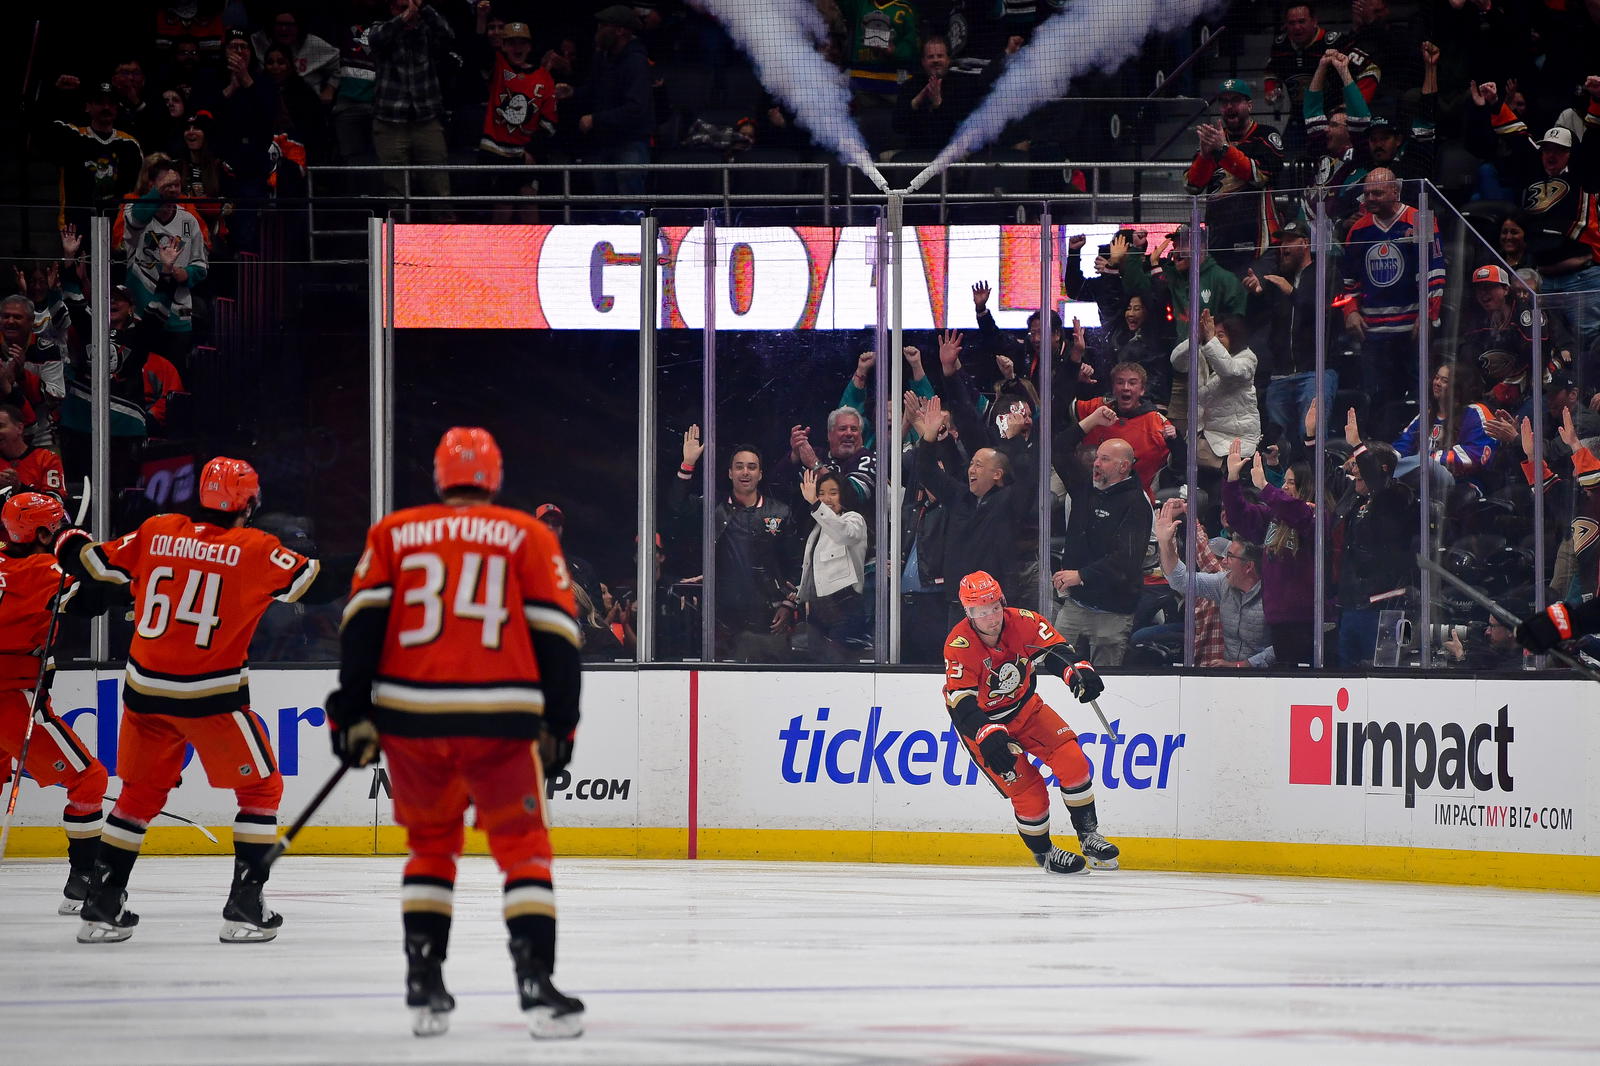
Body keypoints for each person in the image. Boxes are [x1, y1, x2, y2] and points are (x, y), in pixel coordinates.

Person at [328, 427, 585, 1040]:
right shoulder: (527, 535)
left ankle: (424, 983)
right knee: (522, 847)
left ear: (440, 476)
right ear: (495, 477)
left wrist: (351, 710)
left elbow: (360, 628)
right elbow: (557, 637)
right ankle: (536, 990)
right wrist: (561, 723)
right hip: (501, 716)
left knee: (431, 848)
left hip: (411, 718)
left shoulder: (393, 533)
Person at [53, 456, 348, 944]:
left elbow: (92, 566)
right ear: (250, 503)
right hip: (209, 697)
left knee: (138, 796)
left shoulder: (158, 529)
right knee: (261, 791)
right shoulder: (254, 547)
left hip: (145, 692)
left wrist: (65, 538)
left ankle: (102, 903)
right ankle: (244, 906)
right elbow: (318, 586)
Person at [941, 570, 1118, 875]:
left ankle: (1089, 835)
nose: (991, 617)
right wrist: (986, 733)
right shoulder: (959, 644)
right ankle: (1045, 854)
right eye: (981, 611)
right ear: (968, 612)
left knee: (1072, 760)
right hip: (984, 727)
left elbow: (1055, 652)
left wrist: (1077, 670)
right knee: (1031, 795)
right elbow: (961, 701)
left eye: (994, 606)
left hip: (1027, 710)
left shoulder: (1023, 621)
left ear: (1002, 601)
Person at [0, 493, 119, 914]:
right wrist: (84, 555)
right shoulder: (43, 570)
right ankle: (84, 879)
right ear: (44, 532)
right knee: (89, 780)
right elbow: (96, 602)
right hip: (10, 696)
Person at [673, 428, 799, 661]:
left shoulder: (780, 512)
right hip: (723, 620)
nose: (745, 472)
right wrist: (688, 464)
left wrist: (788, 604)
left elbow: (796, 565)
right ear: (730, 473)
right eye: (739, 466)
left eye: (752, 467)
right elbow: (677, 507)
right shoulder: (714, 506)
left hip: (769, 619)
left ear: (760, 474)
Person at [909, 393, 1035, 625]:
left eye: (979, 464)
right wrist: (928, 437)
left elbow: (1026, 473)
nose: (971, 469)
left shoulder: (1008, 502)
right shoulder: (959, 496)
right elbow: (927, 471)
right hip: (959, 604)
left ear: (997, 474)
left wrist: (1014, 439)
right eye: (971, 463)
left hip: (996, 605)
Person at [1050, 406, 1153, 666]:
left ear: (1123, 466)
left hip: (1113, 612)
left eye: (1105, 459)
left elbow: (1125, 560)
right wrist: (1093, 420)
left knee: (1106, 682)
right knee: (1054, 668)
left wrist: (1081, 576)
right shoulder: (1085, 488)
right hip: (1075, 605)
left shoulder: (1137, 504)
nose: (1096, 463)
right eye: (1098, 457)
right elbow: (1059, 449)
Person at [1223, 440, 1320, 667]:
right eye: (1283, 482)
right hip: (1278, 617)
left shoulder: (1314, 516)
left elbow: (1300, 514)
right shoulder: (1274, 518)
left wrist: (1266, 487)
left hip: (1307, 620)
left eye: (1291, 483)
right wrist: (1232, 480)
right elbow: (1239, 516)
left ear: (1307, 486)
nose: (1284, 487)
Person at [1153, 495, 1274, 668]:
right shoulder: (1223, 583)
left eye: (1230, 557)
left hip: (1269, 681)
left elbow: (1283, 646)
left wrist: (1244, 665)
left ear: (1248, 567)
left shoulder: (1273, 593)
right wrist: (1165, 543)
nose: (1224, 562)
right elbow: (1179, 580)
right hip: (1226, 676)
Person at [1183, 78, 1283, 273]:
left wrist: (1223, 150)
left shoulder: (1266, 135)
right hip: (1219, 241)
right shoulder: (1213, 139)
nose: (1229, 107)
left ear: (1250, 105)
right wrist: (1204, 156)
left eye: (1235, 100)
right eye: (1224, 102)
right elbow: (1192, 186)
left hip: (1258, 243)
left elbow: (1260, 176)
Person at [367, 0, 456, 205]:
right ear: (392, 9)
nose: (409, 12)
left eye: (412, 7)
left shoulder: (427, 31)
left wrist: (424, 8)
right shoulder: (380, 28)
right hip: (390, 122)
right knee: (396, 192)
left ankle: (442, 231)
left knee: (439, 188)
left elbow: (448, 35)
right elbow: (376, 40)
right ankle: (398, 233)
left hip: (426, 120)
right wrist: (404, 17)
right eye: (401, 7)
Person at [563, 6, 653, 198]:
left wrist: (595, 120)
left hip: (630, 142)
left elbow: (636, 109)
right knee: (604, 201)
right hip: (603, 141)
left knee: (629, 200)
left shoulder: (636, 62)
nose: (598, 32)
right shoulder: (602, 57)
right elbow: (594, 90)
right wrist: (573, 92)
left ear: (620, 30)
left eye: (603, 26)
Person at [796, 467, 869, 661]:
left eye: (833, 493)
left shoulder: (853, 519)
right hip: (817, 611)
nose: (826, 499)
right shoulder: (816, 528)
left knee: (840, 667)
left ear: (843, 495)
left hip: (844, 609)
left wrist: (815, 504)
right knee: (816, 671)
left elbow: (844, 533)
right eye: (821, 494)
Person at [0, 404, 66, 497]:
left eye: (0, 426)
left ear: (19, 428)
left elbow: (56, 501)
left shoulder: (46, 459)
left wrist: (20, 488)